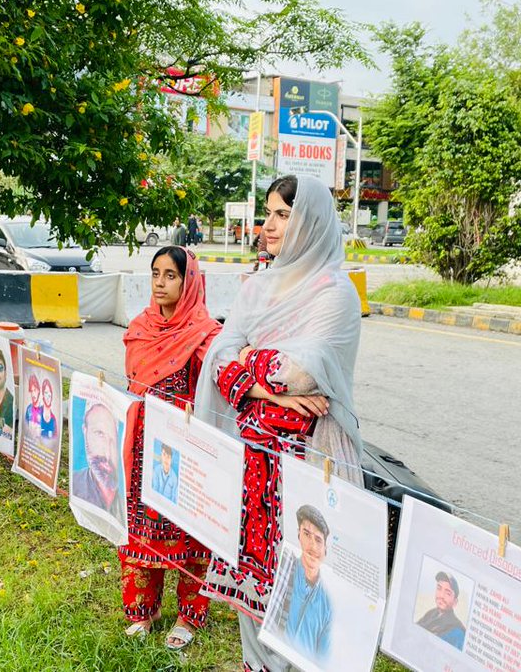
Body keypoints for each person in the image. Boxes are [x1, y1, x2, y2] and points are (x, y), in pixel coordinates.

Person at [194, 174, 365, 671]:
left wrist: (245, 357)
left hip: (308, 460)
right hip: (252, 456)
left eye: (282, 215)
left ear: (309, 221)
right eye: (267, 212)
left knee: (302, 577)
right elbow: (219, 357)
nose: (267, 225)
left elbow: (304, 371)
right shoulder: (259, 287)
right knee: (253, 569)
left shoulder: (335, 294)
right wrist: (265, 384)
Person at [119, 246, 222, 650]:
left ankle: (190, 615)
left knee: (190, 531)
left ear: (189, 281)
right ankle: (144, 610)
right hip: (144, 442)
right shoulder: (140, 327)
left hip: (187, 445)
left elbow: (216, 397)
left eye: (171, 275)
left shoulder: (206, 334)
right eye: (155, 274)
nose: (160, 283)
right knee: (141, 528)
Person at [285, 505, 332, 661]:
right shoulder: (284, 572)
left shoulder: (328, 604)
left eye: (318, 540)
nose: (312, 546)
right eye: (306, 534)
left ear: (325, 549)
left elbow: (323, 660)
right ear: (298, 535)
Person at [71, 401, 126, 522]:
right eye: (99, 434)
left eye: (113, 439)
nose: (107, 453)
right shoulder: (75, 485)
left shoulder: (125, 504)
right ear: (85, 431)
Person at [416, 571, 467, 650]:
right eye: (439, 588)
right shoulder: (431, 614)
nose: (441, 596)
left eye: (448, 593)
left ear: (455, 602)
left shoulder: (457, 631)